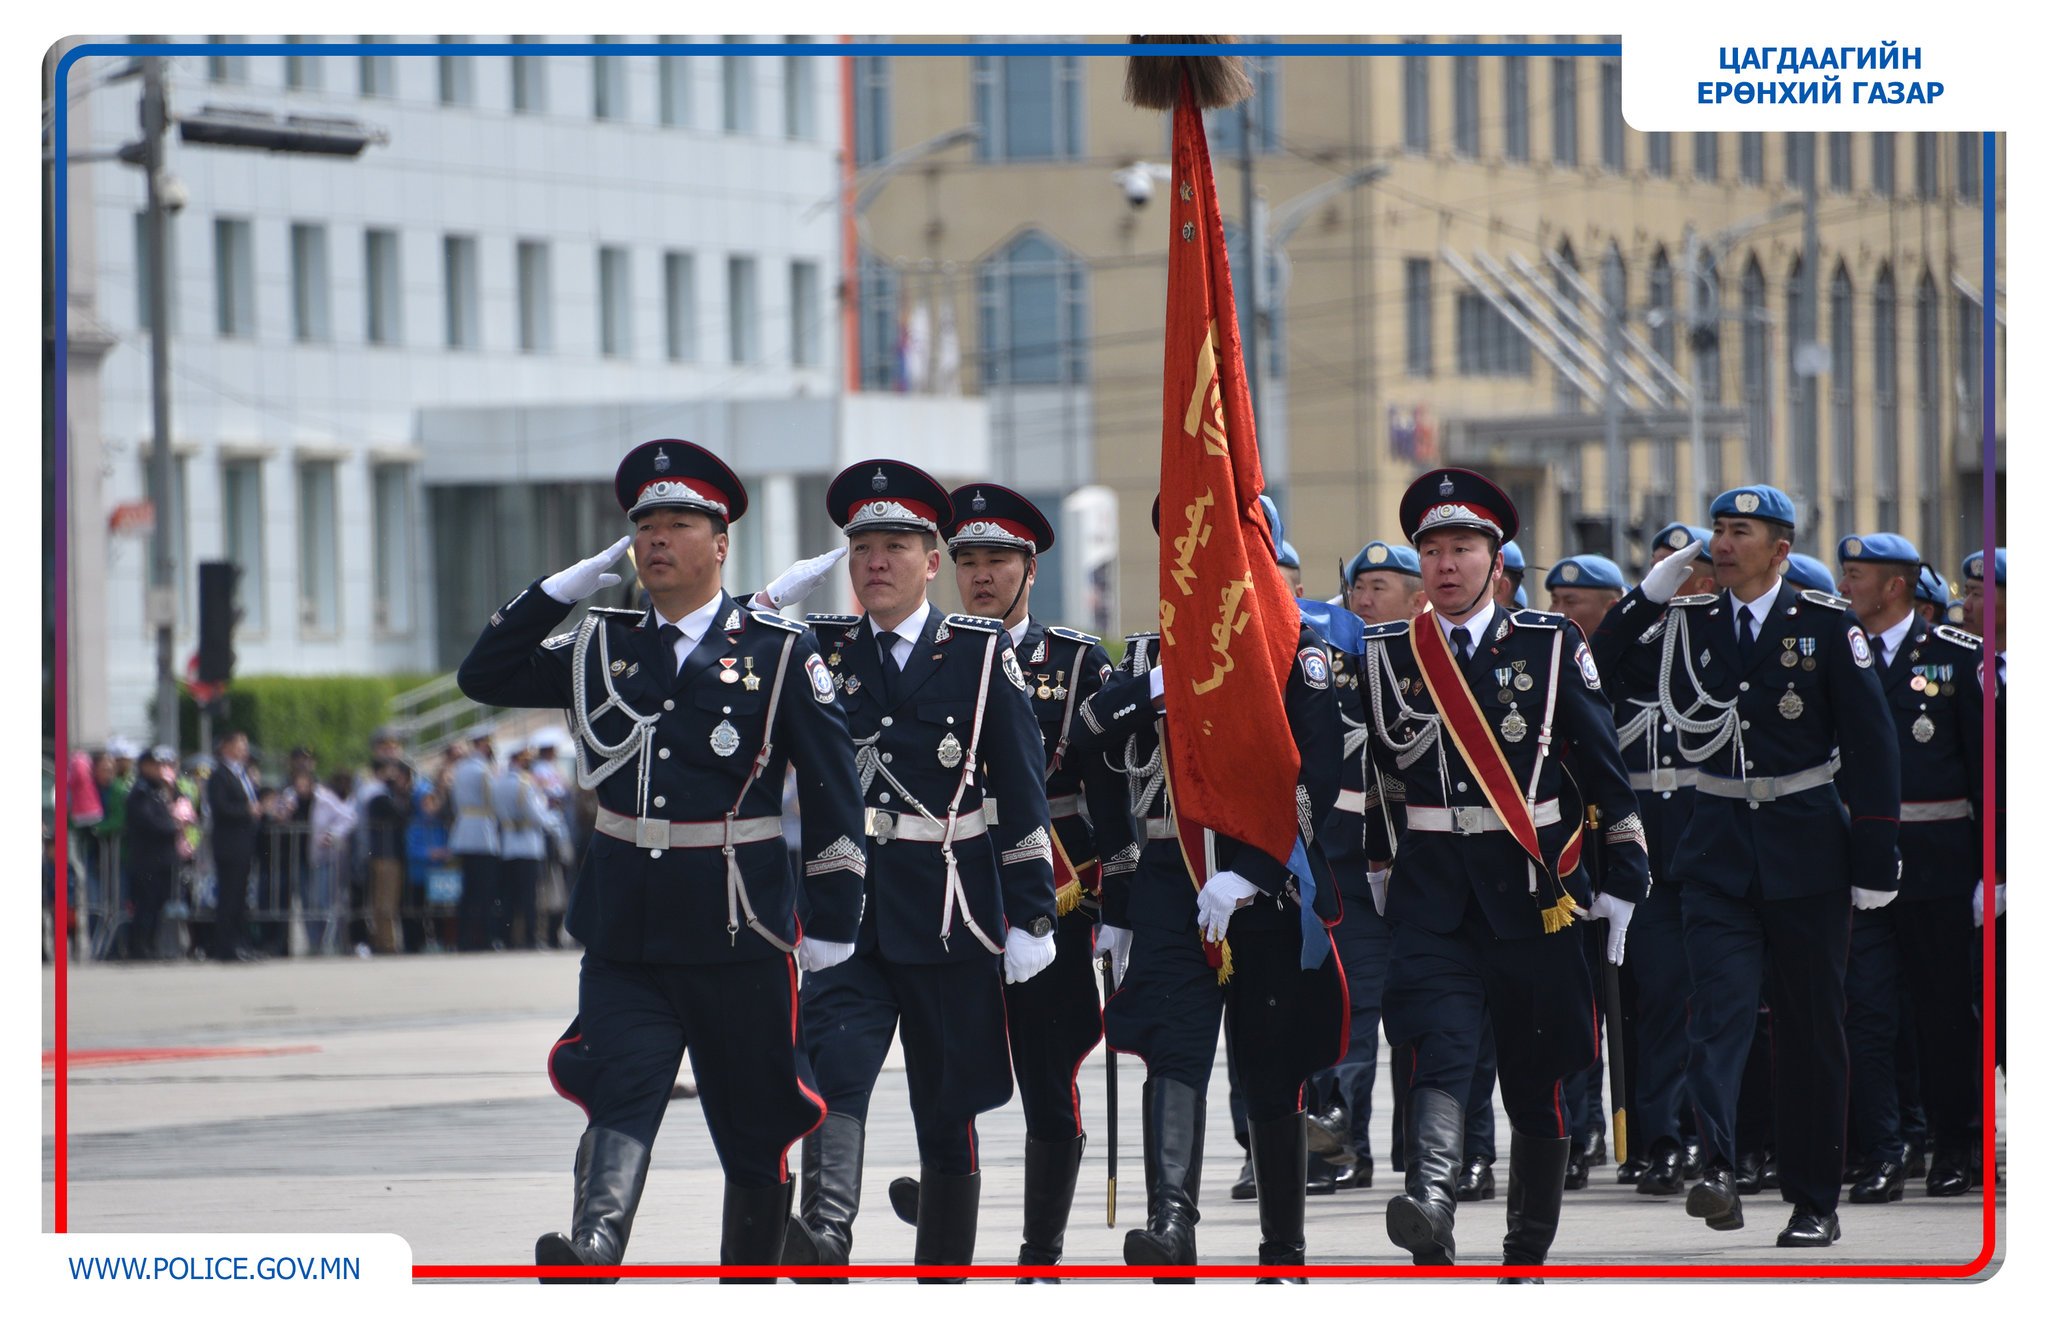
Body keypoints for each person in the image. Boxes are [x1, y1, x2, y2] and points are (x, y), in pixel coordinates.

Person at [459, 438, 867, 1279]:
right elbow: (485, 674)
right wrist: (563, 588)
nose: (655, 538)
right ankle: (594, 1246)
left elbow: (834, 795)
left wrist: (832, 919)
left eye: (678, 522)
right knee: (621, 1087)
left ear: (720, 544)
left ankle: (747, 1279)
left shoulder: (777, 651)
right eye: (644, 523)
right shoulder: (600, 645)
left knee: (756, 1126)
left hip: (737, 928)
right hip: (627, 926)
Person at [1357, 471, 1647, 1273]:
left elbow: (1600, 765)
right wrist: (1377, 863)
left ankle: (1527, 1247)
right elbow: (1375, 777)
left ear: (1495, 559)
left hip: (1535, 895)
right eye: (1433, 550)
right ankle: (1432, 1205)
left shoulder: (1549, 646)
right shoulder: (1387, 654)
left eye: (1463, 548)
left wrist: (1624, 875)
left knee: (1538, 1075)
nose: (1446, 564)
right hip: (1432, 894)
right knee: (1436, 1049)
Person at [1601, 484, 1901, 1247]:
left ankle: (1812, 1201)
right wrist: (1649, 591)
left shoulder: (1826, 625)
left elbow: (1871, 743)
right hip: (1718, 850)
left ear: (1781, 549)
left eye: (1740, 532)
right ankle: (1723, 1169)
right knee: (1720, 1017)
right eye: (1718, 531)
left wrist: (1874, 854)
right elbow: (1597, 669)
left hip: (1808, 853)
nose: (1722, 544)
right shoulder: (1687, 621)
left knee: (1809, 1032)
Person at [783, 460, 1059, 1279]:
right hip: (850, 908)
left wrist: (1033, 914)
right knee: (834, 1076)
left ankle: (942, 1273)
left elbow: (1022, 789)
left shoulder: (976, 654)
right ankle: (825, 1236)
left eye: (896, 545)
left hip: (950, 911)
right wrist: (764, 604)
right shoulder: (820, 650)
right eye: (862, 545)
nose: (876, 561)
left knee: (947, 1107)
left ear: (931, 561)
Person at [1065, 494, 1344, 1278]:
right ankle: (1170, 1225)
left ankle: (1282, 1248)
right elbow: (1087, 735)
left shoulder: (1296, 649)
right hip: (1171, 879)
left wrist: (1253, 873)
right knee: (1173, 1051)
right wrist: (1157, 687)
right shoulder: (1155, 652)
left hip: (1265, 887)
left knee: (1269, 1063)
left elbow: (1320, 780)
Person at [878, 484, 1128, 1276]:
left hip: (1045, 897)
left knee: (1046, 1077)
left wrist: (1117, 902)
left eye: (998, 560)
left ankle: (1038, 1248)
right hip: (949, 897)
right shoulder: (930, 651)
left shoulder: (1077, 660)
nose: (981, 575)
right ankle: (953, 1197)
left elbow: (1109, 790)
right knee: (952, 1069)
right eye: (968, 561)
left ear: (1030, 568)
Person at [1834, 533, 1985, 1201]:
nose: (1846, 585)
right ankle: (1884, 1150)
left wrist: (1995, 872)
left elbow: (1990, 776)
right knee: (1867, 1014)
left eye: (1857, 574)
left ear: (1895, 586)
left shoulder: (1957, 659)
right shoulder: (1834, 651)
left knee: (1943, 1014)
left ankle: (1956, 1146)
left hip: (1939, 867)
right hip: (1861, 868)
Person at [1587, 523, 1718, 1198]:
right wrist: (1647, 595)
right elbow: (1597, 657)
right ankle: (1663, 1137)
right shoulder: (1637, 651)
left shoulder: (1726, 642)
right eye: (1668, 573)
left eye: (1689, 574)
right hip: (1657, 856)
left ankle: (1725, 1139)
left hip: (1719, 848)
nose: (1680, 586)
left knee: (1723, 1007)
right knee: (1663, 1000)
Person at [1960, 548, 2006, 1083]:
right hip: (1972, 867)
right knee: (1981, 1003)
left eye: (1979, 593)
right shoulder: (1959, 668)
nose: (1967, 604)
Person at [122, 746, 186, 961]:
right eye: (156, 765)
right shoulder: (140, 792)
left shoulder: (160, 790)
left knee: (158, 904)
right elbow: (149, 821)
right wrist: (172, 827)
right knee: (146, 904)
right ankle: (139, 947)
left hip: (162, 858)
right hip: (147, 858)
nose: (160, 770)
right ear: (144, 766)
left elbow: (177, 804)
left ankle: (150, 944)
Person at [205, 731, 263, 963]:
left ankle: (241, 943)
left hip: (243, 843)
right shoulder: (220, 775)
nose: (244, 749)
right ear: (226, 747)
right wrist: (247, 811)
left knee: (240, 897)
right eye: (240, 745)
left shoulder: (242, 774)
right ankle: (226, 947)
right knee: (229, 896)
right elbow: (221, 808)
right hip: (229, 844)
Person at [449, 731, 501, 952]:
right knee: (485, 891)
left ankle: (464, 938)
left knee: (468, 890)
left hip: (463, 829)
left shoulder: (460, 768)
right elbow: (494, 800)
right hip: (482, 831)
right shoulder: (484, 770)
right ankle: (485, 939)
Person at [494, 747, 547, 951]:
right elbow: (536, 815)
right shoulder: (526, 783)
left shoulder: (499, 782)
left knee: (508, 895)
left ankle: (506, 938)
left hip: (507, 843)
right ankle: (531, 938)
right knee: (529, 896)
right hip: (528, 845)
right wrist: (552, 820)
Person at [364, 760, 413, 955]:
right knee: (386, 902)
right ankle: (387, 943)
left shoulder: (386, 795)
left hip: (389, 854)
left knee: (385, 902)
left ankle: (383, 941)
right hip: (386, 855)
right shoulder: (381, 797)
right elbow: (401, 814)